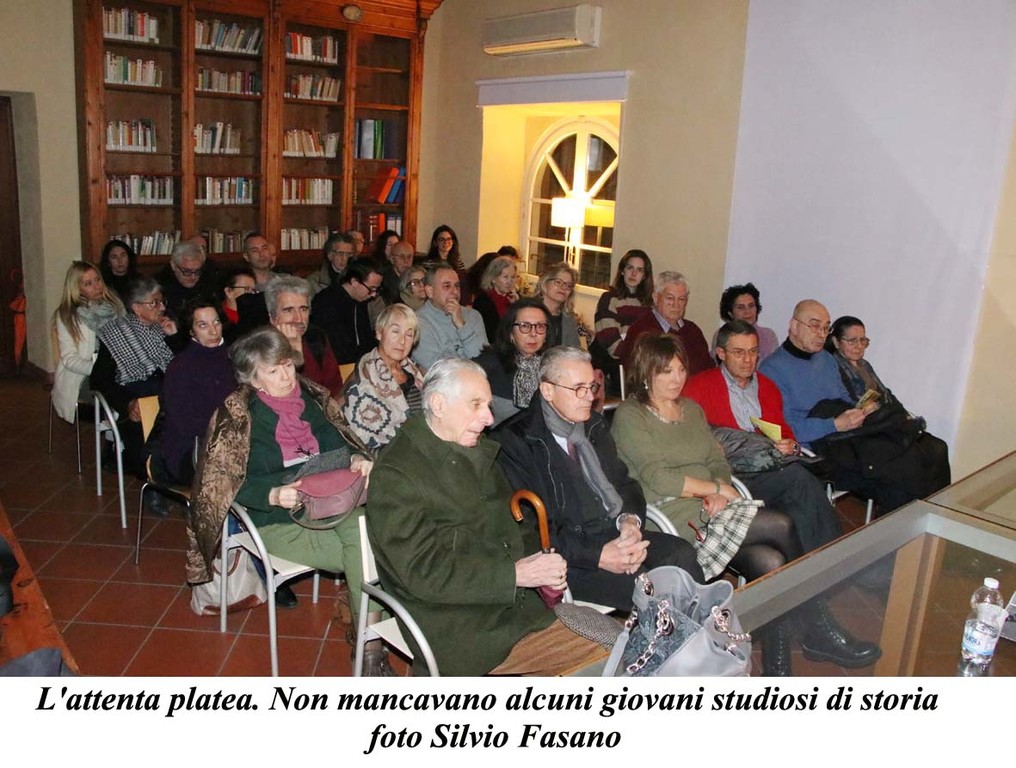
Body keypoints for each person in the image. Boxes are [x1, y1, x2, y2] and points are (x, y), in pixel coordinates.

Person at [612, 333, 881, 674]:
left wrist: (719, 488)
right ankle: (817, 624)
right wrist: (715, 490)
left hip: (714, 506)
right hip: (672, 515)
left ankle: (778, 666)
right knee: (781, 524)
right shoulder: (631, 415)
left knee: (771, 561)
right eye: (666, 371)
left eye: (680, 369)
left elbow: (717, 460)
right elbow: (658, 478)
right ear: (646, 372)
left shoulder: (691, 409)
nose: (677, 378)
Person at [366, 358, 608, 676]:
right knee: (609, 652)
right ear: (438, 404)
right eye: (476, 404)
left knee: (617, 641)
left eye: (488, 405)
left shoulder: (475, 450)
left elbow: (515, 524)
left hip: (516, 608)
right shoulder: (397, 475)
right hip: (461, 624)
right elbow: (423, 573)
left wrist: (543, 559)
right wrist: (514, 575)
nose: (489, 418)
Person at [186, 327, 392, 674]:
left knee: (365, 535)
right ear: (254, 379)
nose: (286, 376)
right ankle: (371, 651)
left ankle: (367, 644)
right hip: (276, 519)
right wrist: (270, 494)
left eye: (286, 365)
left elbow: (338, 442)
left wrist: (356, 457)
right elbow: (219, 482)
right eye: (273, 370)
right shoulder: (237, 417)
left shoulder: (310, 399)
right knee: (373, 552)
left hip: (328, 503)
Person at [493, 346, 705, 612]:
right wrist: (598, 556)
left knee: (682, 555)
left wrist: (630, 522)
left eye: (592, 386)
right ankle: (685, 635)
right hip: (572, 557)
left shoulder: (593, 425)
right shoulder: (516, 442)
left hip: (613, 530)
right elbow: (532, 531)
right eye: (578, 388)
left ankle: (707, 634)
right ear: (548, 390)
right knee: (649, 588)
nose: (590, 397)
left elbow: (624, 483)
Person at [682, 320, 842, 551]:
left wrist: (791, 446)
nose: (748, 360)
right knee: (799, 481)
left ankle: (813, 561)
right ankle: (834, 555)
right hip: (732, 473)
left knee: (798, 503)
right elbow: (688, 443)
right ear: (721, 353)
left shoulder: (767, 387)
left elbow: (786, 434)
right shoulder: (698, 388)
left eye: (753, 351)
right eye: (739, 352)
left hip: (771, 465)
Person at [759, 300, 923, 516]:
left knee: (921, 457)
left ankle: (921, 529)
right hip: (818, 450)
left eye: (826, 328)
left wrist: (860, 410)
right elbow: (787, 430)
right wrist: (835, 424)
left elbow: (844, 400)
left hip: (848, 438)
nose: (821, 334)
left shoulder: (826, 359)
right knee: (902, 471)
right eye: (814, 326)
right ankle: (897, 534)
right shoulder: (772, 369)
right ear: (794, 326)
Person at [825, 314, 951, 500]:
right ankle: (913, 510)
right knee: (915, 458)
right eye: (852, 341)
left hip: (885, 422)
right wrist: (876, 408)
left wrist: (902, 413)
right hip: (866, 432)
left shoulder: (864, 365)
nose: (859, 346)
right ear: (836, 342)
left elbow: (886, 394)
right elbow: (847, 404)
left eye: (863, 340)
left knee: (939, 447)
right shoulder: (831, 367)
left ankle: (936, 507)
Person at [90, 277, 177, 476]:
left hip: (168, 391)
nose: (162, 307)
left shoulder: (164, 328)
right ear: (137, 307)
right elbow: (100, 380)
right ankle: (153, 473)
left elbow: (182, 366)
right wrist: (127, 403)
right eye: (154, 303)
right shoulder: (115, 333)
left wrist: (174, 337)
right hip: (138, 397)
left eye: (162, 301)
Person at [150, 298, 234, 488]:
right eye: (203, 325)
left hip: (229, 441)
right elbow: (185, 423)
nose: (213, 331)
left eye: (216, 322)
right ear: (191, 331)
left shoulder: (235, 358)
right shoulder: (180, 367)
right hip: (190, 448)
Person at [343, 304, 425, 452]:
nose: (402, 341)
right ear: (379, 333)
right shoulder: (364, 377)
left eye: (409, 334)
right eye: (395, 331)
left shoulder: (412, 370)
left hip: (422, 443)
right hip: (387, 453)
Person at [52, 261, 124, 423]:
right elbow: (70, 359)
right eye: (88, 284)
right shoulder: (67, 315)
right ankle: (119, 431)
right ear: (77, 289)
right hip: (84, 376)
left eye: (98, 280)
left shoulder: (115, 306)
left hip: (118, 369)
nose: (97, 286)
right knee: (120, 393)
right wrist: (102, 370)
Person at [615, 270, 714, 376]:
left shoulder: (693, 331)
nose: (676, 305)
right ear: (656, 298)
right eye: (670, 298)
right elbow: (635, 375)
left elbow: (708, 370)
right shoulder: (641, 331)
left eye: (681, 299)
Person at [266, 275, 344, 399]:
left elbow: (335, 388)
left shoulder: (316, 338)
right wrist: (292, 352)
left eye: (303, 309)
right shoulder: (260, 348)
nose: (298, 319)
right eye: (288, 310)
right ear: (273, 318)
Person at [475, 298, 549, 427]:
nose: (533, 333)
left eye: (540, 326)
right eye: (525, 326)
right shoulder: (490, 362)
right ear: (510, 331)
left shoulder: (551, 366)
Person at [412, 262, 488, 368]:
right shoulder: (417, 322)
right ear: (429, 291)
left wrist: (462, 325)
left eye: (457, 286)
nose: (455, 291)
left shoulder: (473, 316)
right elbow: (438, 368)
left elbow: (484, 361)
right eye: (447, 286)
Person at [310, 258, 383, 364]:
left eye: (376, 290)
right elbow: (337, 348)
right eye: (371, 289)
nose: (373, 295)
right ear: (354, 282)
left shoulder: (360, 301)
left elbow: (365, 338)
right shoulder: (326, 302)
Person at [594, 248, 654, 360]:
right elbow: (610, 343)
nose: (634, 273)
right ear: (622, 271)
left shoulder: (648, 304)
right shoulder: (609, 299)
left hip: (638, 362)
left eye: (639, 270)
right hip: (610, 362)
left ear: (644, 276)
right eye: (630, 267)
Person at [710, 283, 780, 362]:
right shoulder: (722, 334)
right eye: (740, 307)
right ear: (730, 313)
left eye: (751, 306)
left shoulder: (768, 335)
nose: (747, 311)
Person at [533, 262, 590, 348]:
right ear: (544, 283)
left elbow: (574, 351)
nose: (563, 287)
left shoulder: (569, 319)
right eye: (558, 282)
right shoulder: (528, 312)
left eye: (568, 285)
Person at [471, 253, 519, 341]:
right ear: (493, 279)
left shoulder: (515, 299)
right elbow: (490, 333)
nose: (510, 281)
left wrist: (517, 305)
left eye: (513, 277)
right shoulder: (483, 301)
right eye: (505, 277)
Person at [306, 233, 356, 297]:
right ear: (329, 255)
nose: (344, 258)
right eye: (340, 253)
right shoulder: (313, 281)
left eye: (348, 254)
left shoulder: (356, 278)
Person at [219, 266, 256, 343]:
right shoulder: (218, 318)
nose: (252, 294)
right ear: (228, 291)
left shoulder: (256, 315)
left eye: (253, 290)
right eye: (247, 289)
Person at [380, 239, 415, 305]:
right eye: (402, 257)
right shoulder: (384, 281)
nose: (406, 261)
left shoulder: (415, 276)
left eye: (409, 257)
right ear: (392, 259)